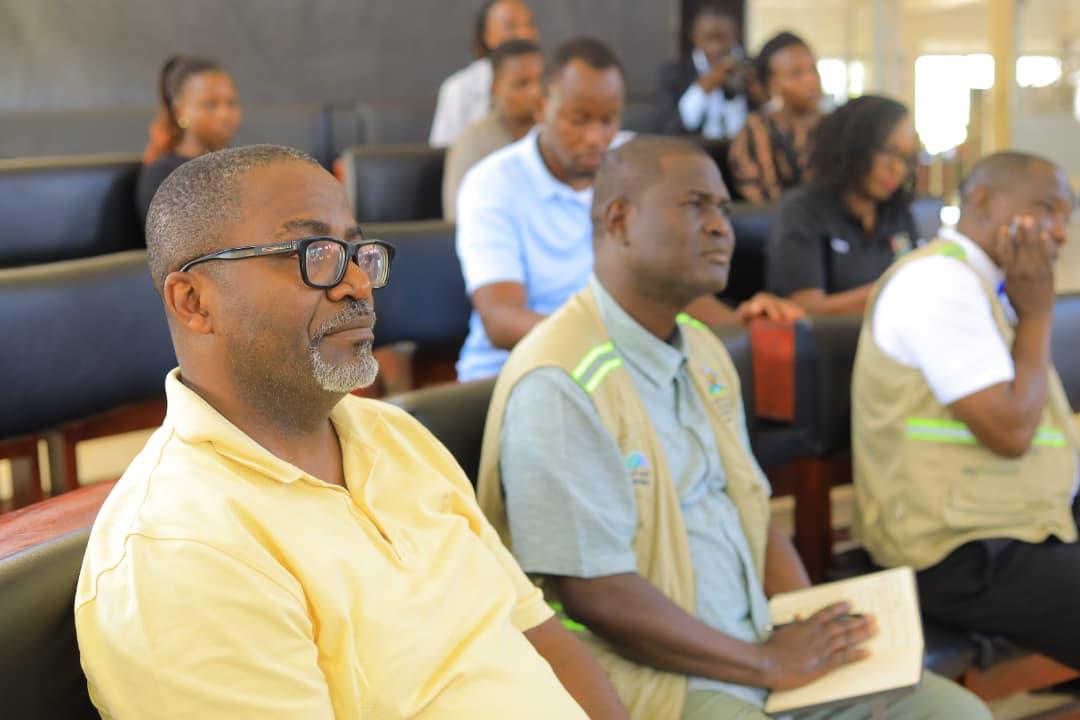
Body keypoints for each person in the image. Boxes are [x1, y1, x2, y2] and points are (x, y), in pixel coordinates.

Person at [75, 144, 628, 719]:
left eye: (356, 252)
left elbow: (540, 635)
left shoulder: (393, 435)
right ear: (194, 301)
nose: (358, 284)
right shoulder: (180, 550)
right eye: (313, 253)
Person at [476, 136, 990, 720]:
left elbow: (751, 508)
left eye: (723, 208)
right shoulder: (560, 380)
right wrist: (766, 663)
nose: (722, 227)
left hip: (755, 645)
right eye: (696, 205)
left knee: (955, 714)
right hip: (652, 675)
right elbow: (600, 598)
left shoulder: (704, 348)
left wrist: (807, 625)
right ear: (620, 220)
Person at [456, 37, 801, 381]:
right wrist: (624, 347)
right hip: (516, 373)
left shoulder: (634, 164)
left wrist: (741, 321)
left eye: (609, 120)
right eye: (578, 120)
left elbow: (665, 285)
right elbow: (501, 320)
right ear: (542, 106)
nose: (595, 137)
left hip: (624, 368)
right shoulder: (492, 183)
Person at [853, 152, 1080, 670]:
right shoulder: (938, 282)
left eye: (1067, 217)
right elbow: (1011, 430)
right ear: (980, 201)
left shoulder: (992, 284)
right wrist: (1039, 313)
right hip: (956, 550)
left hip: (1023, 521)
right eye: (1046, 209)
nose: (1060, 232)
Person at [765, 95, 920, 315]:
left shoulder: (898, 213)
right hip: (824, 348)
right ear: (855, 144)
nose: (897, 168)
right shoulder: (802, 211)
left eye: (906, 158)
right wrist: (893, 290)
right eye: (888, 151)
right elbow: (805, 309)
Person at [443, 39, 543, 221]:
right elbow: (458, 216)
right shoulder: (472, 141)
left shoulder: (556, 136)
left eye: (540, 81)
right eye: (522, 84)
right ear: (495, 89)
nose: (535, 92)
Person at [136, 55, 241, 226]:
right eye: (210, 105)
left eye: (231, 103)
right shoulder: (164, 175)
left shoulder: (238, 165)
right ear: (179, 112)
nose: (225, 115)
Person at [727, 32, 823, 203]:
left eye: (813, 69)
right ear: (771, 84)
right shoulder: (756, 131)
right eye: (796, 74)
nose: (811, 80)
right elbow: (764, 203)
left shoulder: (838, 126)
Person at [429, 0, 539, 147]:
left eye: (529, 24)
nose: (524, 33)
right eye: (510, 26)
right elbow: (443, 151)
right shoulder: (460, 88)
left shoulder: (551, 82)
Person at [651, 2, 759, 140]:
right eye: (709, 39)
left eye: (723, 39)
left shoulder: (751, 69)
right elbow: (665, 129)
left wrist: (757, 93)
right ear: (694, 37)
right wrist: (701, 89)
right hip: (693, 156)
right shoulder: (675, 72)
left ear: (736, 35)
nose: (716, 48)